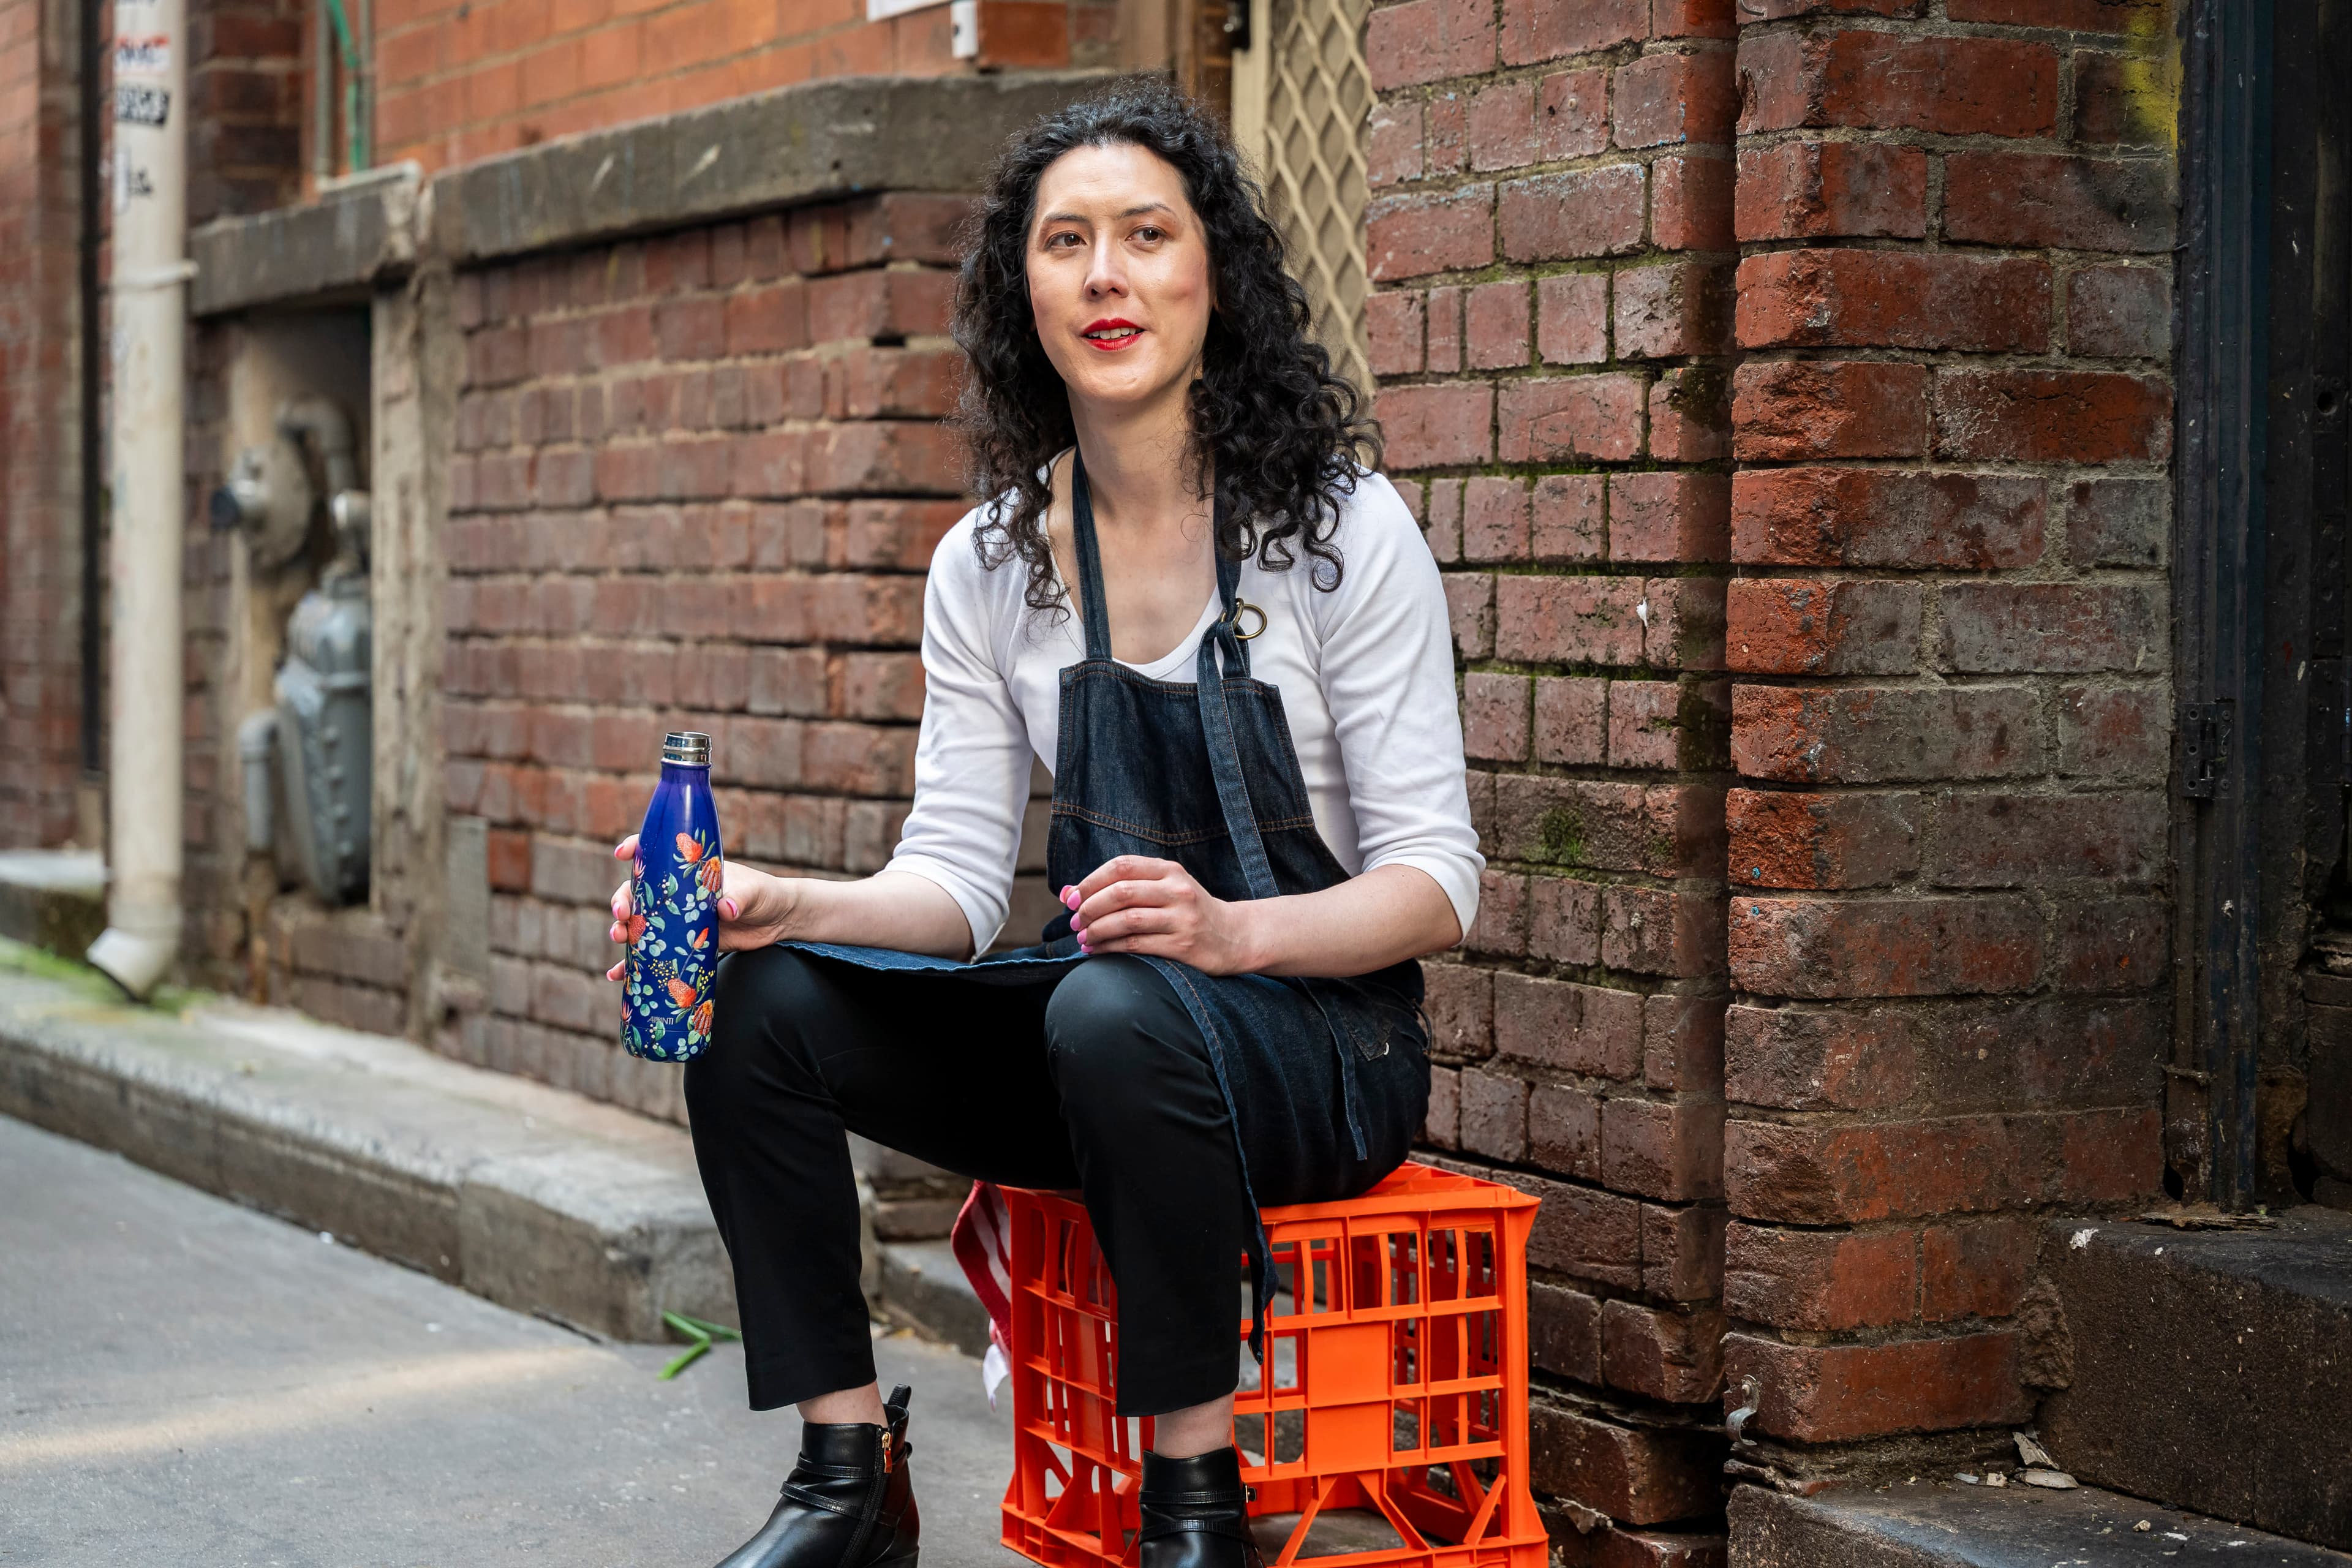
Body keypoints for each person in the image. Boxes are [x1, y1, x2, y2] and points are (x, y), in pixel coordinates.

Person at [604, 79, 1481, 1568]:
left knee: (1119, 1004)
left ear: (1217, 274)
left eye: (1147, 233)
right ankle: (844, 1477)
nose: (1107, 275)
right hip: (1102, 1039)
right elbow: (951, 885)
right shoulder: (992, 560)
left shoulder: (1338, 532)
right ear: (1026, 292)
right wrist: (778, 900)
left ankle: (1194, 1505)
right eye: (1066, 242)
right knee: (756, 1003)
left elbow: (1440, 882)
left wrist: (1231, 930)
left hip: (1325, 1044)